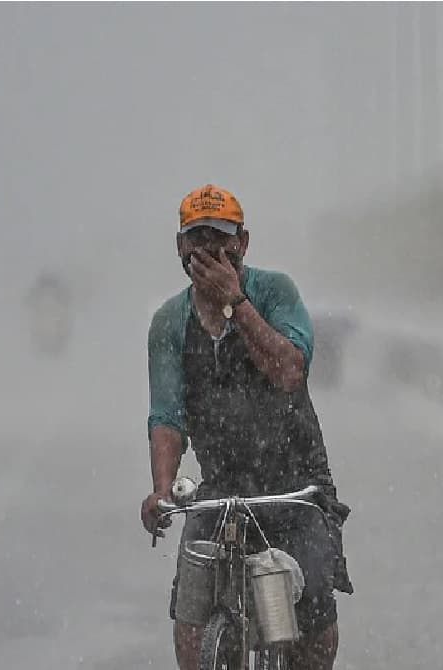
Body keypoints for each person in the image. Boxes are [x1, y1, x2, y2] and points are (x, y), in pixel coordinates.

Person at [141, 184, 353, 670]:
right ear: (179, 247)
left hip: (296, 486)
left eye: (220, 238)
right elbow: (167, 416)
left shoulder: (276, 293)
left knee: (315, 621)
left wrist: (235, 303)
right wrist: (161, 490)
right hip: (222, 486)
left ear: (243, 243)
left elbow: (289, 371)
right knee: (190, 611)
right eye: (196, 239)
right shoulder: (169, 323)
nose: (208, 250)